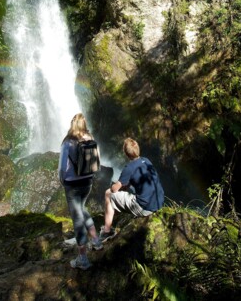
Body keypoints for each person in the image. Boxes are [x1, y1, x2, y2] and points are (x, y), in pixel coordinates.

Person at [99, 138, 165, 241]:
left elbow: (115, 189)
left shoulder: (129, 168)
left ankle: (107, 232)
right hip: (158, 202)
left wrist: (113, 186)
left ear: (126, 153)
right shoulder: (146, 160)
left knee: (108, 194)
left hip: (145, 207)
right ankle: (114, 218)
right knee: (121, 195)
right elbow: (131, 182)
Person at [58, 113, 102, 270]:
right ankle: (96, 240)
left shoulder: (68, 142)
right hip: (87, 182)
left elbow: (63, 167)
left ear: (72, 124)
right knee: (82, 209)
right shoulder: (90, 137)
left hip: (72, 185)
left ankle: (82, 258)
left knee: (77, 219)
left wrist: (62, 180)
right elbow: (98, 160)